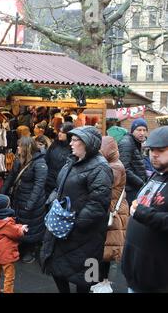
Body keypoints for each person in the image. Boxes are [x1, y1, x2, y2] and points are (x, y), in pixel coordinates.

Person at [40, 126, 113, 293]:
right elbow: (59, 186)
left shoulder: (100, 167)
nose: (70, 143)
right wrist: (52, 202)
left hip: (86, 234)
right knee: (57, 268)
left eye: (75, 140)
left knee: (87, 278)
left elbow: (98, 204)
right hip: (63, 229)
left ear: (87, 143)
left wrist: (74, 225)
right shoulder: (72, 160)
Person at [121, 126, 168, 293]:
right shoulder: (157, 174)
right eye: (151, 150)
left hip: (157, 280)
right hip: (136, 272)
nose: (154, 154)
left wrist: (142, 213)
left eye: (161, 150)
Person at [90, 136, 129, 293]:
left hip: (112, 212)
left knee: (107, 250)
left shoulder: (115, 167)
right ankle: (93, 280)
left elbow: (101, 184)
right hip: (106, 210)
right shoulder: (108, 164)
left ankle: (104, 282)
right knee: (97, 248)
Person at [1, 136, 48, 264]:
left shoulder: (40, 163)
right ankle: (22, 246)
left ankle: (29, 250)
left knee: (31, 225)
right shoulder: (19, 160)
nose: (17, 148)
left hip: (33, 201)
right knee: (20, 222)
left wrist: (30, 203)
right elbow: (11, 178)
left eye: (19, 146)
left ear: (26, 148)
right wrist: (2, 194)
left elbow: (39, 185)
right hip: (20, 197)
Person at [0, 194, 28, 293]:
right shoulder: (6, 223)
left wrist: (17, 227)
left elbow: (11, 228)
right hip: (7, 254)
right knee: (9, 276)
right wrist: (22, 228)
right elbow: (15, 232)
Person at [118, 118, 148, 205]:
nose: (142, 133)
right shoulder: (126, 143)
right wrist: (141, 183)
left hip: (135, 187)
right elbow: (124, 168)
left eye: (144, 130)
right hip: (130, 189)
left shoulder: (136, 142)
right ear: (132, 131)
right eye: (139, 130)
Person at [45, 122, 74, 198]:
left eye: (63, 132)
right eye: (59, 131)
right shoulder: (55, 144)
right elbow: (46, 159)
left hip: (61, 184)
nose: (60, 134)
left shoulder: (72, 148)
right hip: (48, 181)